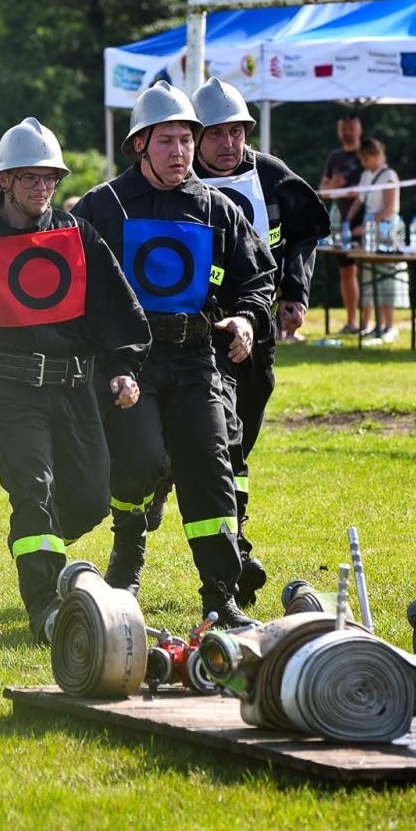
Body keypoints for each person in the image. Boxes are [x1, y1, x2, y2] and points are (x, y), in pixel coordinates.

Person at [0, 117, 149, 643]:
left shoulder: (77, 233)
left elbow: (118, 309)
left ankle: (35, 542)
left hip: (74, 390)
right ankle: (45, 607)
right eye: (29, 178)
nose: (41, 189)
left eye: (49, 178)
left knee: (90, 499)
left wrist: (124, 369)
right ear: (3, 181)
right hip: (8, 393)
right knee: (33, 489)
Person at [73, 81, 275, 627]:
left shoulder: (219, 208)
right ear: (140, 144)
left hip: (196, 361)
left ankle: (220, 598)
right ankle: (127, 560)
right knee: (140, 463)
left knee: (209, 472)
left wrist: (247, 318)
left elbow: (257, 278)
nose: (180, 152)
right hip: (130, 363)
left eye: (187, 140)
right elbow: (77, 288)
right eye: (167, 141)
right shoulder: (103, 206)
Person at [191, 78, 330, 604]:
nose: (230, 144)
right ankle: (238, 550)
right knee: (219, 442)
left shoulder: (270, 175)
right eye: (218, 134)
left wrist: (294, 291)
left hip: (256, 331)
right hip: (197, 336)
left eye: (238, 132)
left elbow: (306, 232)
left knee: (240, 440)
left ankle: (233, 533)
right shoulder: (176, 181)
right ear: (195, 136)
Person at [355, 137, 409, 341]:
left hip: (387, 231)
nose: (363, 163)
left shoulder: (389, 176)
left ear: (375, 155)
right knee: (368, 279)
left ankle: (388, 325)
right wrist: (347, 221)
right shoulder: (365, 175)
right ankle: (368, 324)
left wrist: (365, 226)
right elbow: (359, 201)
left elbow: (389, 208)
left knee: (387, 279)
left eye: (365, 158)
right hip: (370, 231)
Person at [319, 113, 365, 334]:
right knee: (347, 271)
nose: (347, 132)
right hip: (341, 222)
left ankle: (370, 323)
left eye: (351, 128)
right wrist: (334, 187)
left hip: (366, 221)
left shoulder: (367, 154)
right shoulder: (334, 157)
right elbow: (323, 191)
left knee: (369, 272)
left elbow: (376, 184)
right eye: (343, 128)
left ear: (359, 130)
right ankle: (352, 321)